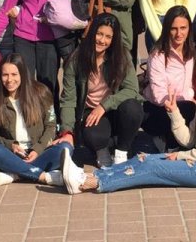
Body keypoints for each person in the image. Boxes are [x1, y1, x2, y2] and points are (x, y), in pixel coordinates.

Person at [62, 54, 196, 195]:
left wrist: (181, 156)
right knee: (143, 158)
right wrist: (174, 113)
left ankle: (93, 183)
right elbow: (188, 140)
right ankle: (87, 177)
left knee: (152, 167)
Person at [56, 14, 144, 168]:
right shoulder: (76, 60)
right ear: (92, 32)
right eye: (99, 34)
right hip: (91, 112)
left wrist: (104, 105)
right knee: (93, 135)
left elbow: (132, 89)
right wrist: (67, 132)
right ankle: (102, 150)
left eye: (108, 37)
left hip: (115, 109)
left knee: (133, 108)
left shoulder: (122, 56)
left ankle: (121, 152)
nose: (102, 40)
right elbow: (68, 100)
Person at [0, 53, 71, 187]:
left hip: (39, 152)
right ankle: (42, 176)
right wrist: (10, 145)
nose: (9, 80)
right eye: (5, 75)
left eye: (14, 74)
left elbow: (51, 126)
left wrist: (38, 149)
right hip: (12, 155)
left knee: (66, 148)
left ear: (23, 74)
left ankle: (15, 174)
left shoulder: (42, 92)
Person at [139, 7, 196, 154]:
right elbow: (159, 95)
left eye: (183, 28)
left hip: (183, 106)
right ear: (167, 29)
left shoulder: (192, 52)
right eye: (174, 29)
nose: (179, 33)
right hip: (158, 109)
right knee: (189, 108)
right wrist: (189, 99)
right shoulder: (158, 55)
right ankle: (170, 144)